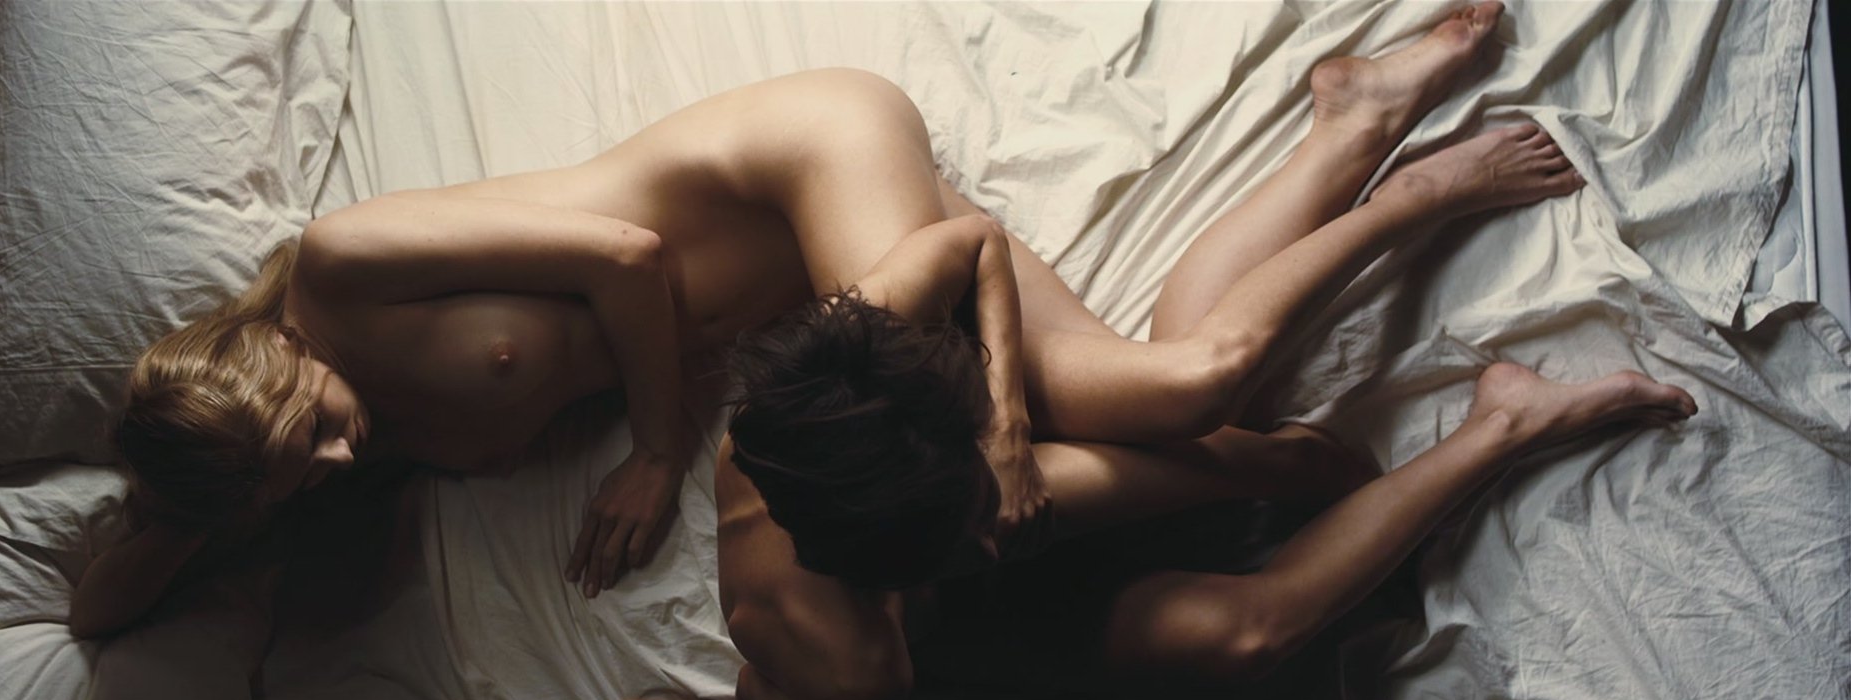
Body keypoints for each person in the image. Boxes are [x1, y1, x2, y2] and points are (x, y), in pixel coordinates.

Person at [596, 5, 1695, 700]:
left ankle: (1395, 180)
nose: (996, 517)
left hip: (969, 407)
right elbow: (779, 692)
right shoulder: (844, 658)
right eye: (970, 527)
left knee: (1198, 384)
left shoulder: (836, 380)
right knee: (1242, 634)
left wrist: (1007, 425)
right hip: (990, 594)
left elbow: (973, 247)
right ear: (907, 564)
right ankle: (1505, 422)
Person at [70, 60, 1352, 636]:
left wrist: (654, 450)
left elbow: (625, 257)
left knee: (1064, 436)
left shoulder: (342, 263)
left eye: (313, 432)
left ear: (270, 361)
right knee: (1156, 392)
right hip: (838, 285)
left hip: (804, 163)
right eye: (301, 476)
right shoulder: (303, 454)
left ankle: (1388, 218)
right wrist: (187, 494)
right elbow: (95, 615)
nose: (342, 460)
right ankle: (1351, 131)